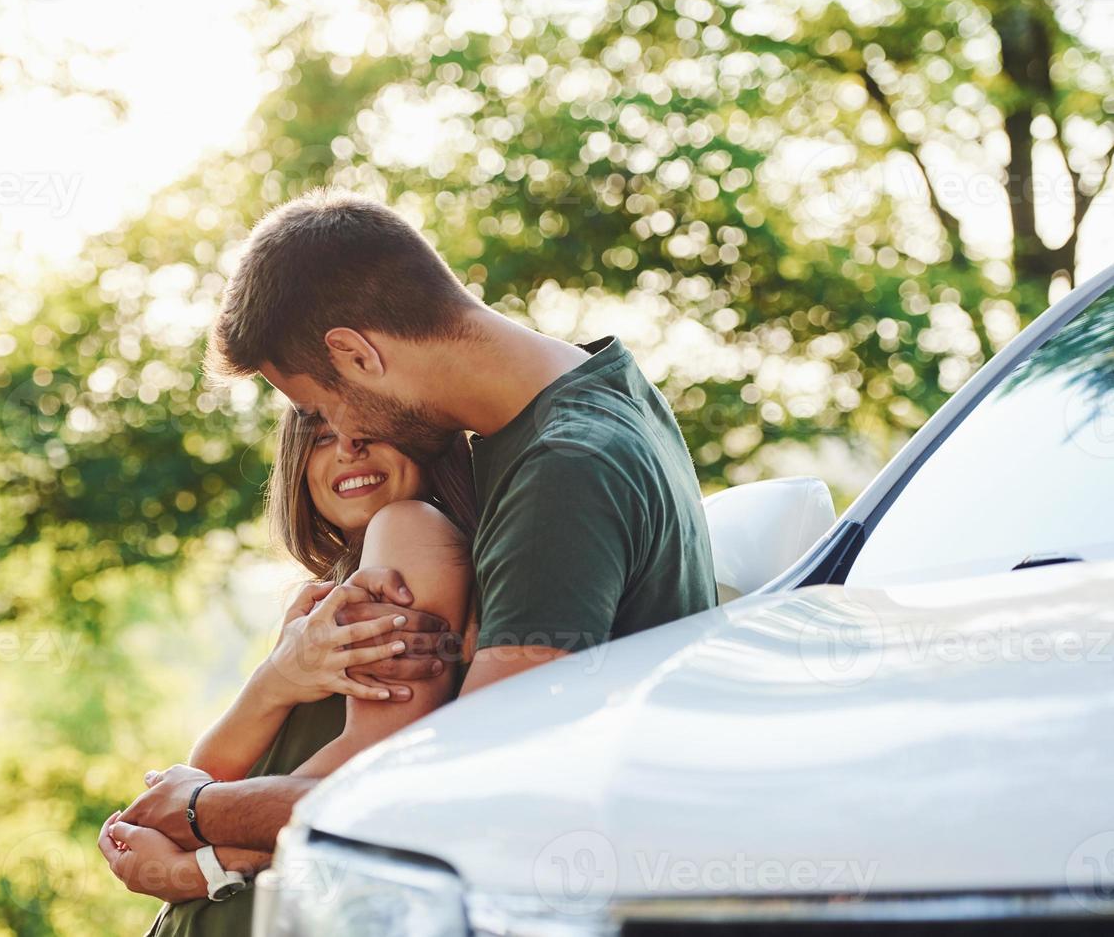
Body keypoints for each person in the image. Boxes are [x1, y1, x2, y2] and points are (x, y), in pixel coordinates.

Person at [106, 187, 716, 892]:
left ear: (356, 354)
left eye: (318, 404)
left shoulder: (566, 468)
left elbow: (463, 787)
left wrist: (204, 818)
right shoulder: (600, 392)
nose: (346, 435)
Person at [99, 407, 477, 936]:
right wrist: (275, 680)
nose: (349, 448)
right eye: (322, 437)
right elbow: (218, 774)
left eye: (372, 429)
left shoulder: (411, 527)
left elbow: (367, 774)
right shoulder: (325, 593)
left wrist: (207, 865)